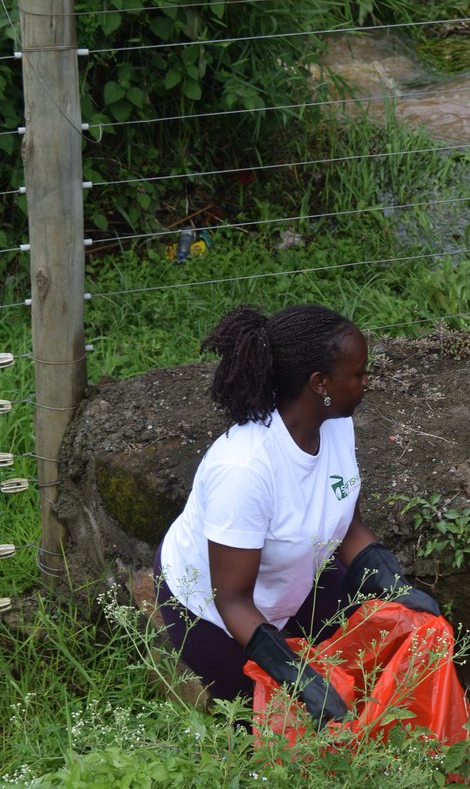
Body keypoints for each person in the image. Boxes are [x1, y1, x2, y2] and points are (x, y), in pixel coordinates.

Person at [154, 304, 441, 727]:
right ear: (320, 383)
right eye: (358, 373)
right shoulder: (245, 468)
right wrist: (296, 675)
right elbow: (231, 598)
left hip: (291, 575)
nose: (367, 383)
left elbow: (347, 526)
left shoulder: (334, 422)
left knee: (377, 653)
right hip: (214, 612)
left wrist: (393, 582)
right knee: (276, 725)